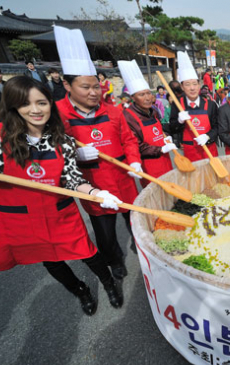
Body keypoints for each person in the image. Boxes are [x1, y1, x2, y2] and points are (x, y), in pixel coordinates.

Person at [0, 76, 123, 315]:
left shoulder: (63, 142)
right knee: (51, 260)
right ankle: (80, 291)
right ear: (14, 107)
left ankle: (108, 283)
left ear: (50, 104)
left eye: (42, 103)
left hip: (60, 213)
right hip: (23, 219)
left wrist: (97, 193)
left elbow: (72, 180)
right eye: (26, 104)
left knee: (88, 253)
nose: (35, 110)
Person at [53, 26, 142, 280]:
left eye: (96, 86)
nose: (94, 92)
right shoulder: (57, 113)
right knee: (105, 231)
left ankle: (142, 247)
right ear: (67, 85)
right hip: (93, 183)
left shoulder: (113, 110)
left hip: (123, 177)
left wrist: (135, 161)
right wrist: (73, 155)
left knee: (134, 219)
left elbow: (128, 139)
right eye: (85, 87)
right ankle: (115, 260)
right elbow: (52, 148)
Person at [119, 60, 174, 188]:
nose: (148, 98)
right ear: (132, 97)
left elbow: (158, 131)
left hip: (165, 159)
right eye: (142, 95)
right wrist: (160, 149)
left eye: (149, 93)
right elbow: (135, 145)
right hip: (149, 164)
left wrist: (165, 136)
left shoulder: (153, 110)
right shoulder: (128, 116)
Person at [170, 51, 220, 161]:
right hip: (189, 152)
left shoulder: (210, 104)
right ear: (182, 87)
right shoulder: (177, 104)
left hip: (209, 150)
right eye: (187, 84)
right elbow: (172, 128)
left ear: (199, 85)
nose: (192, 88)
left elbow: (217, 127)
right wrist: (179, 121)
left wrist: (208, 136)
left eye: (195, 84)